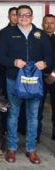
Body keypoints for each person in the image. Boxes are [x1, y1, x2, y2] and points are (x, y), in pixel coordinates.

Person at [0, 5, 52, 164]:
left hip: (34, 81)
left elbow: (49, 55)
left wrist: (45, 63)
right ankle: (12, 148)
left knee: (33, 115)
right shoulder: (7, 34)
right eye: (21, 15)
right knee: (13, 114)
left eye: (27, 15)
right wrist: (13, 62)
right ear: (16, 17)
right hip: (14, 79)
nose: (24, 17)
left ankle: (31, 149)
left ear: (32, 17)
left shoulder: (40, 35)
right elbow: (0, 56)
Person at [37, 14, 55, 142]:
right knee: (37, 108)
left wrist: (53, 76)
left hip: (54, 78)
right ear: (42, 24)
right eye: (46, 23)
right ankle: (36, 134)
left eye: (52, 23)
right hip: (39, 78)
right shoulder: (36, 40)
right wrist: (42, 75)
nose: (49, 25)